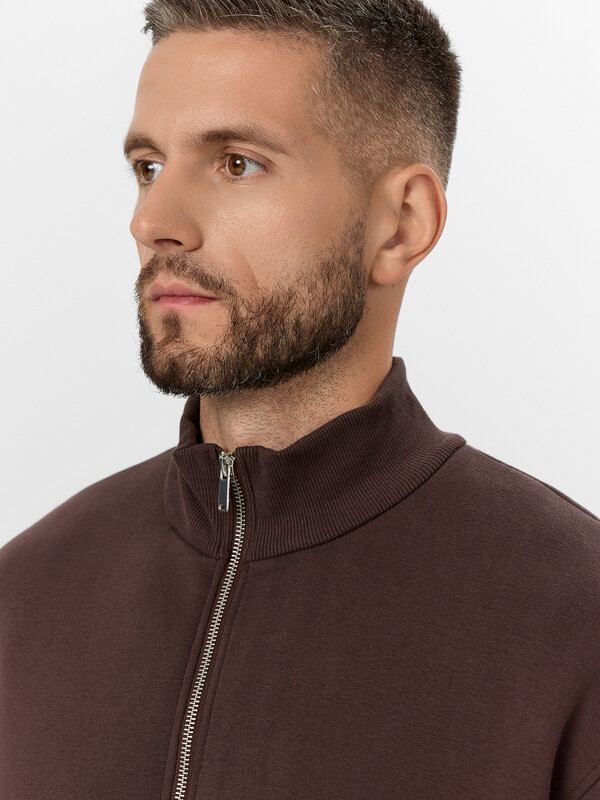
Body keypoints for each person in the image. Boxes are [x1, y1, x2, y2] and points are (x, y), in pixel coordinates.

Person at [1, 0, 599, 797]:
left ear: (400, 224)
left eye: (236, 163)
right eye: (149, 166)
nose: (153, 221)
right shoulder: (23, 596)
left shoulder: (574, 617)